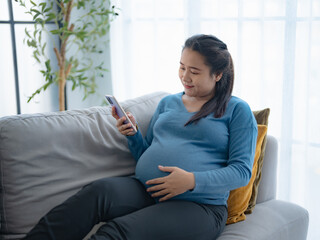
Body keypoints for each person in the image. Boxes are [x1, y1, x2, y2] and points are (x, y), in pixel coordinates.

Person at [24, 34, 258, 240]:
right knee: (95, 193)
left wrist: (191, 180)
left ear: (217, 74)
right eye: (182, 67)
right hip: (147, 190)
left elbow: (241, 172)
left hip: (199, 206)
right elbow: (147, 154)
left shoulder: (237, 110)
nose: (185, 76)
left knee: (117, 232)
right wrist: (133, 135)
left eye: (194, 72)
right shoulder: (168, 103)